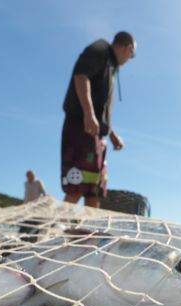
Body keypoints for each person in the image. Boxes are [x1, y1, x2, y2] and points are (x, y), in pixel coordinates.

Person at [61, 31, 136, 208]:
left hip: (97, 136)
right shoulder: (100, 49)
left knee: (94, 191)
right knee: (78, 186)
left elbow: (100, 109)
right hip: (82, 128)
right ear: (128, 48)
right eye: (132, 54)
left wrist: (111, 134)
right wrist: (88, 113)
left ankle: (87, 235)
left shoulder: (111, 67)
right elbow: (81, 76)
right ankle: (50, 231)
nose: (130, 59)